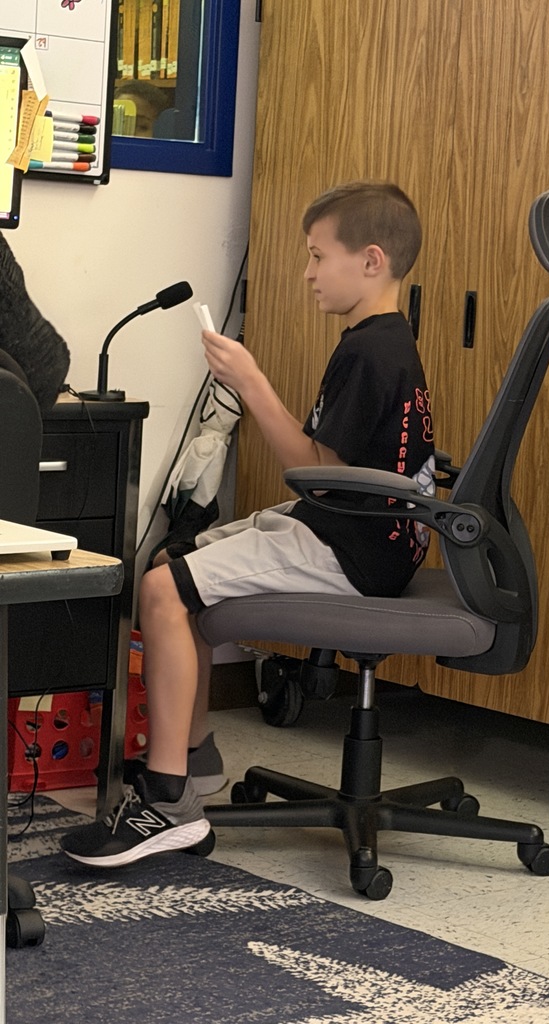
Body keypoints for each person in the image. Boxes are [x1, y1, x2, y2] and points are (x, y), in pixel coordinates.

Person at [60, 181, 436, 867]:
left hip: (350, 544)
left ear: (372, 261)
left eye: (319, 256)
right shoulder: (383, 341)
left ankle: (171, 801)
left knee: (164, 591)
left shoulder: (370, 353)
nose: (308, 272)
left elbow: (316, 472)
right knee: (179, 563)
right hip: (367, 531)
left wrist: (251, 383)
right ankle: (194, 757)